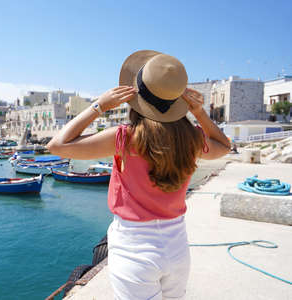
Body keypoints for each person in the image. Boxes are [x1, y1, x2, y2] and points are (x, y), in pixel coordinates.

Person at [47, 50, 230, 300]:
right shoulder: (191, 138)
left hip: (134, 247)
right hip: (176, 245)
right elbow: (224, 146)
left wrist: (99, 106)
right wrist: (199, 112)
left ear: (136, 96)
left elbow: (56, 145)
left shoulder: (124, 137)